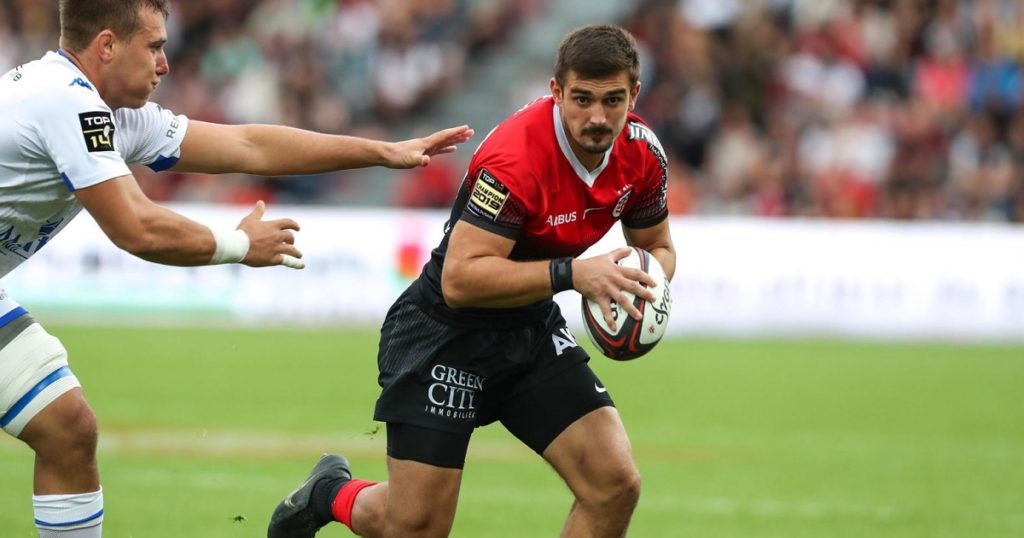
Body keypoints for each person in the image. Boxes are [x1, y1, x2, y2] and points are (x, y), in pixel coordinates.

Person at [0, 1, 473, 536]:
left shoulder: (108, 113)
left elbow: (248, 145)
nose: (165, 65)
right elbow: (137, 227)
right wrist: (239, 244)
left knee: (68, 428)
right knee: (66, 426)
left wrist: (381, 151)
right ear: (107, 45)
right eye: (154, 47)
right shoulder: (65, 102)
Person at [269, 24, 676, 538]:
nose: (597, 116)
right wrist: (573, 274)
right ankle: (328, 492)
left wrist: (641, 288)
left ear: (634, 95)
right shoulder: (517, 158)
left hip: (529, 329)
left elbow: (658, 247)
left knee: (614, 484)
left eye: (613, 100)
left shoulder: (642, 154)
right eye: (582, 99)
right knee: (415, 526)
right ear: (556, 91)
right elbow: (460, 281)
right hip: (446, 335)